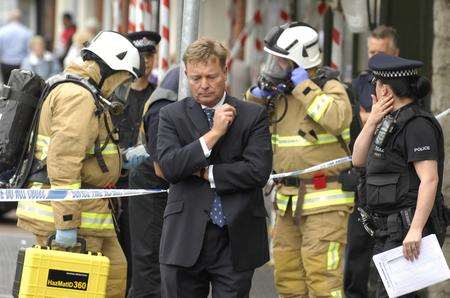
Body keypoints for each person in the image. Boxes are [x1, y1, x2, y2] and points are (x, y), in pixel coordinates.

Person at [15, 30, 142, 298]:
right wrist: (67, 224)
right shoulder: (78, 97)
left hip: (88, 213)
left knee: (113, 277)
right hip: (70, 217)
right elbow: (64, 162)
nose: (122, 89)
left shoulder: (82, 91)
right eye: (123, 80)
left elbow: (87, 150)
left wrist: (122, 160)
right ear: (109, 68)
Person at [157, 37, 272, 298]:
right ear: (185, 75)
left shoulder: (252, 115)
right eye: (196, 78)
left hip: (236, 238)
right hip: (184, 236)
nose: (204, 85)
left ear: (225, 72)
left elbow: (257, 171)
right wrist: (214, 134)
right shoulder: (171, 115)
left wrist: (206, 173)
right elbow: (170, 167)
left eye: (211, 76)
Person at [246, 21, 354, 297]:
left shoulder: (329, 88)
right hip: (287, 202)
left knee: (323, 280)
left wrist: (305, 88)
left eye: (280, 60)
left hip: (324, 201)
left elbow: (338, 118)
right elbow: (248, 122)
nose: (275, 65)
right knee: (287, 278)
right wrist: (256, 97)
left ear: (299, 61)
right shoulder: (280, 95)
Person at [352, 53, 446, 298]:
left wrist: (415, 230)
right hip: (385, 229)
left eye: (377, 84)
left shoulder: (417, 125)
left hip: (405, 229)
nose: (375, 88)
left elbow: (430, 179)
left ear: (386, 90)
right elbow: (358, 159)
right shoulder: (387, 120)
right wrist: (371, 121)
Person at [344, 25, 400, 298]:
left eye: (381, 53)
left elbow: (400, 119)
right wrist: (369, 117)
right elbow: (352, 122)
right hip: (364, 180)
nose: (373, 59)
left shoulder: (406, 83)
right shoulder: (359, 84)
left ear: (395, 53)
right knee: (357, 251)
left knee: (393, 256)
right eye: (371, 52)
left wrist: (370, 116)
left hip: (393, 182)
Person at [110, 30, 161, 294]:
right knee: (111, 253)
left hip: (143, 187)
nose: (146, 62)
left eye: (150, 55)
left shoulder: (159, 95)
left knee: (139, 251)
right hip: (112, 184)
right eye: (141, 56)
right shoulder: (116, 95)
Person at [128, 65, 179, 297]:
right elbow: (163, 168)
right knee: (150, 262)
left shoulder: (166, 96)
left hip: (153, 188)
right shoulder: (164, 107)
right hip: (151, 190)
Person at [0, 9, 32, 83]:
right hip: (20, 64)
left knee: (6, 85)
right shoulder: (27, 32)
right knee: (19, 87)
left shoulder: (2, 31)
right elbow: (29, 50)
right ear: (20, 18)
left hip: (5, 63)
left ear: (10, 18)